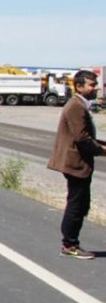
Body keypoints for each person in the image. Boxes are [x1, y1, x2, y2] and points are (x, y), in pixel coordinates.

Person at [48, 70, 103, 260]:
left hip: (78, 162)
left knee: (81, 203)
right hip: (75, 163)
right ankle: (70, 245)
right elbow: (82, 138)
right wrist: (103, 150)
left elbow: (84, 137)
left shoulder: (79, 105)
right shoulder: (76, 106)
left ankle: (70, 243)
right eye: (91, 85)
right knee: (76, 204)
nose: (95, 88)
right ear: (79, 86)